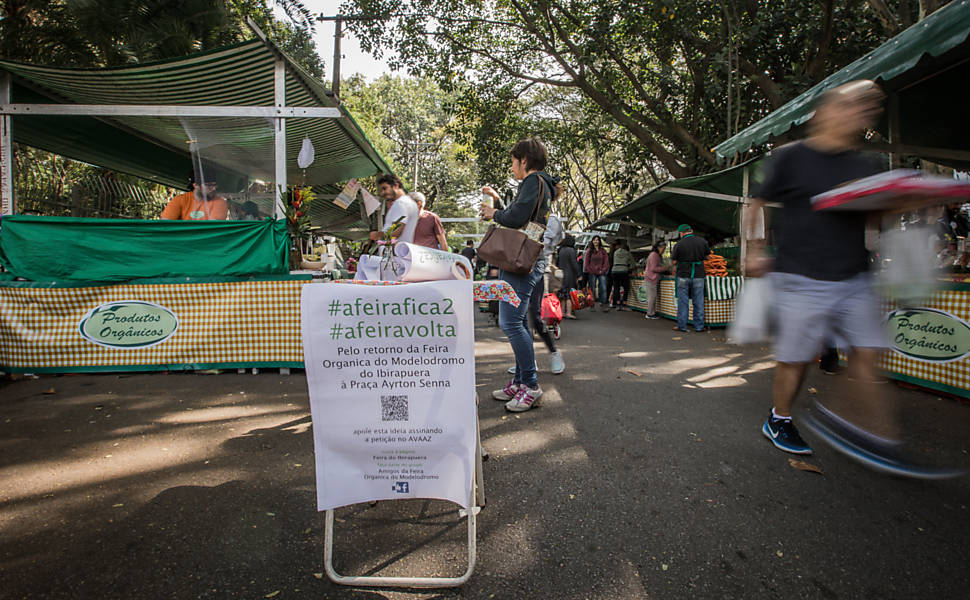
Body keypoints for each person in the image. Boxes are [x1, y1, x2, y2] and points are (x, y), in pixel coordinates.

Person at [746, 80, 960, 477]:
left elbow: (875, 216)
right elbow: (755, 203)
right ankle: (779, 418)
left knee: (870, 350)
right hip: (800, 275)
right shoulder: (789, 157)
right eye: (850, 106)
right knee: (796, 359)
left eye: (866, 109)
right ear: (826, 110)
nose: (859, 114)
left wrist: (902, 202)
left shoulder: (866, 165)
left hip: (855, 275)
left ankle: (870, 433)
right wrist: (755, 250)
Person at [480, 137, 555, 412]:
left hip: (522, 261)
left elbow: (514, 217)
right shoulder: (542, 184)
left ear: (524, 160)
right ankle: (521, 381)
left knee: (510, 322)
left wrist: (494, 213)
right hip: (525, 259)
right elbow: (519, 212)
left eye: (513, 162)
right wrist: (500, 206)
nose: (512, 168)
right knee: (518, 321)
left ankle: (531, 386)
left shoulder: (533, 181)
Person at [507, 197, 566, 376]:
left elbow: (550, 242)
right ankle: (527, 361)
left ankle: (554, 353)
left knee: (535, 316)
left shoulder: (551, 219)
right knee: (519, 319)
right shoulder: (524, 216)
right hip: (519, 269)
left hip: (537, 271)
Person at [670, 223, 710, 332]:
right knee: (698, 301)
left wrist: (681, 261)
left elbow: (673, 261)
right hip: (698, 275)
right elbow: (708, 257)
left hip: (683, 275)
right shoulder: (702, 241)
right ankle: (699, 326)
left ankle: (682, 326)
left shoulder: (679, 244)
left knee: (683, 302)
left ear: (681, 233)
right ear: (691, 230)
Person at [160, 172, 227, 220]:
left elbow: (213, 228)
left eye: (215, 185)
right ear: (195, 185)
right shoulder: (180, 200)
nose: (214, 188)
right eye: (209, 185)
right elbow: (165, 225)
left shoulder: (220, 202)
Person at [556, 234, 581, 319]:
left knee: (563, 295)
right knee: (569, 295)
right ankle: (568, 313)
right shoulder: (571, 250)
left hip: (561, 275)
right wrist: (579, 274)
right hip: (570, 275)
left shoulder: (560, 250)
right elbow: (574, 263)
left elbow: (557, 262)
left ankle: (562, 312)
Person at [583, 235, 610, 311]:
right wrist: (589, 270)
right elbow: (586, 262)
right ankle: (592, 305)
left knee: (603, 287)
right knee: (592, 288)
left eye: (597, 240)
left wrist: (603, 270)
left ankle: (603, 304)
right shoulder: (589, 251)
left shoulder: (603, 251)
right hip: (592, 272)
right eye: (594, 240)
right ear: (592, 241)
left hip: (601, 272)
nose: (596, 241)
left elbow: (606, 262)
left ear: (599, 241)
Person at [642, 240, 668, 319]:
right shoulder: (654, 255)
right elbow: (654, 268)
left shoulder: (655, 255)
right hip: (651, 278)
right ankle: (650, 314)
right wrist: (664, 268)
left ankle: (651, 312)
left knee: (652, 296)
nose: (663, 251)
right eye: (663, 249)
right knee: (652, 297)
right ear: (659, 247)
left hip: (651, 277)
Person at [610, 240, 634, 310]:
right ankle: (624, 304)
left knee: (616, 288)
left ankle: (617, 304)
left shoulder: (615, 252)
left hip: (614, 271)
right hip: (624, 271)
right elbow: (633, 265)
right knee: (626, 288)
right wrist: (629, 268)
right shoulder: (628, 253)